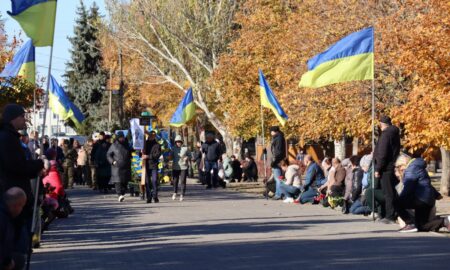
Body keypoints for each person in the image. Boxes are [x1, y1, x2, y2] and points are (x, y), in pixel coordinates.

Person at [394, 154, 450, 232]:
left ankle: (410, 224)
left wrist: (401, 199)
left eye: (399, 167)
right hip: (427, 200)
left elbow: (408, 188)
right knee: (422, 226)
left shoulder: (411, 169)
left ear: (403, 163)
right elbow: (426, 184)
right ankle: (444, 221)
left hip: (421, 199)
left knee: (396, 202)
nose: (400, 169)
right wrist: (437, 195)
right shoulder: (417, 167)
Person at [374, 115, 401, 224]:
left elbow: (382, 153)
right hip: (391, 165)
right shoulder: (394, 134)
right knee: (392, 192)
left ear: (382, 124)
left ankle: (389, 216)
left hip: (385, 168)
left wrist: (378, 168)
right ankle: (393, 213)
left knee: (388, 193)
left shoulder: (385, 135)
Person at [0, 187, 27, 270]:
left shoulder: (5, 215)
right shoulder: (4, 219)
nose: (21, 210)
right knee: (19, 259)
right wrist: (7, 262)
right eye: (22, 206)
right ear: (16, 206)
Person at [107, 132, 132, 202]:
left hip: (126, 166)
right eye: (120, 137)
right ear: (118, 138)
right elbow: (108, 155)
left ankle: (122, 193)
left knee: (125, 182)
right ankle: (119, 194)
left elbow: (130, 152)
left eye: (122, 137)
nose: (122, 138)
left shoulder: (127, 145)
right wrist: (112, 161)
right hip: (117, 166)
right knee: (118, 181)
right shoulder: (114, 145)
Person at [142, 130, 161, 203]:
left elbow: (157, 155)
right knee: (147, 182)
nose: (152, 136)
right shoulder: (144, 144)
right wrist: (140, 152)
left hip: (154, 165)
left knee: (154, 180)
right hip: (146, 165)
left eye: (153, 135)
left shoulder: (157, 145)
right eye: (151, 135)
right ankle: (149, 197)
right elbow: (140, 154)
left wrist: (148, 156)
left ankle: (155, 196)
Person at [171, 135, 190, 202]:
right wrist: (166, 158)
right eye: (177, 142)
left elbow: (190, 156)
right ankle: (175, 192)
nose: (178, 143)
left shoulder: (185, 148)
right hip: (175, 167)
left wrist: (187, 158)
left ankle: (182, 194)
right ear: (175, 142)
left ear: (182, 142)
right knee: (175, 181)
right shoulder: (173, 148)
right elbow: (171, 156)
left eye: (179, 142)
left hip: (183, 167)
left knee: (182, 181)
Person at [270, 126, 286, 199]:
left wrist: (275, 161)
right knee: (279, 178)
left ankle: (279, 194)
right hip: (278, 159)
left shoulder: (279, 138)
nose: (270, 133)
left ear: (275, 131)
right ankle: (280, 193)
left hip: (278, 160)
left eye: (271, 131)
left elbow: (278, 151)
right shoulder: (278, 137)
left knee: (278, 178)